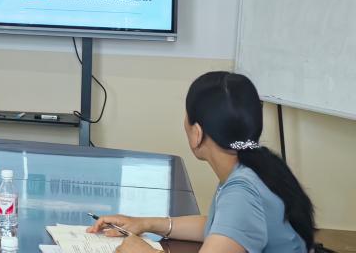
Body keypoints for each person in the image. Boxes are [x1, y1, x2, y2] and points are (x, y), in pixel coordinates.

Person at [88, 71, 314, 253]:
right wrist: (146, 223)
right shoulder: (255, 165)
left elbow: (234, 220)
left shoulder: (242, 192)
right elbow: (221, 226)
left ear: (197, 133)